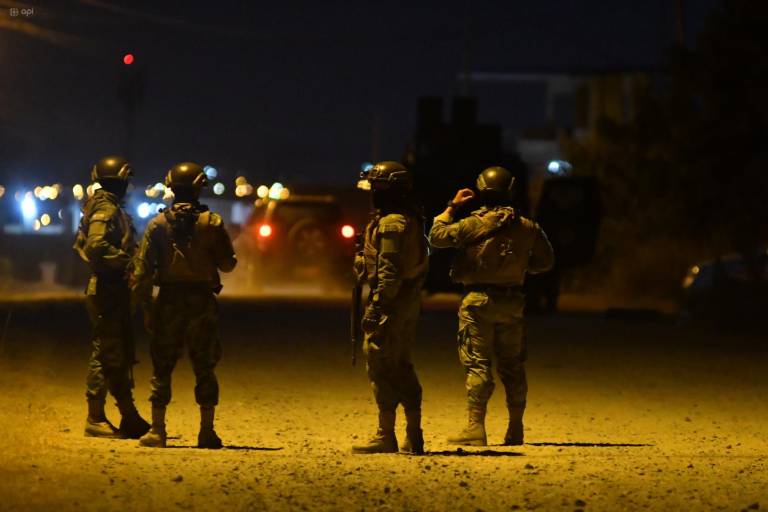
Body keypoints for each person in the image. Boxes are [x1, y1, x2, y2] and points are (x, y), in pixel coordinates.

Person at [428, 166, 554, 446]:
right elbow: (546, 261)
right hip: (512, 301)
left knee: (477, 363)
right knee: (513, 365)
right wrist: (518, 267)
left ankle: (476, 427)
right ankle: (515, 428)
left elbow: (436, 236)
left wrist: (452, 206)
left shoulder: (472, 224)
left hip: (477, 302)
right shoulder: (528, 227)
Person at [131, 162, 237, 449]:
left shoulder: (157, 224)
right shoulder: (212, 223)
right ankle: (206, 432)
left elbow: (142, 271)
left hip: (168, 302)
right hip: (202, 302)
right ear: (199, 187)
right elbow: (228, 265)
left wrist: (145, 308)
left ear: (171, 188)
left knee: (162, 366)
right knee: (205, 366)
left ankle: (158, 430)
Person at [352, 161, 429, 455]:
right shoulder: (406, 219)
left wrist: (377, 306)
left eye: (378, 187)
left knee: (383, 364)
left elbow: (389, 271)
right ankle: (413, 434)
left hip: (392, 303)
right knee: (400, 363)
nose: (374, 192)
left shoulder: (391, 224)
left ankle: (387, 434)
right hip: (405, 301)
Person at [74, 155, 150, 439]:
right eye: (126, 180)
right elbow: (96, 246)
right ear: (118, 181)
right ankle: (95, 417)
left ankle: (129, 415)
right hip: (107, 289)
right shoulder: (105, 208)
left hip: (113, 289)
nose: (128, 186)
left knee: (118, 352)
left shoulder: (107, 206)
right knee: (105, 353)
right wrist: (129, 262)